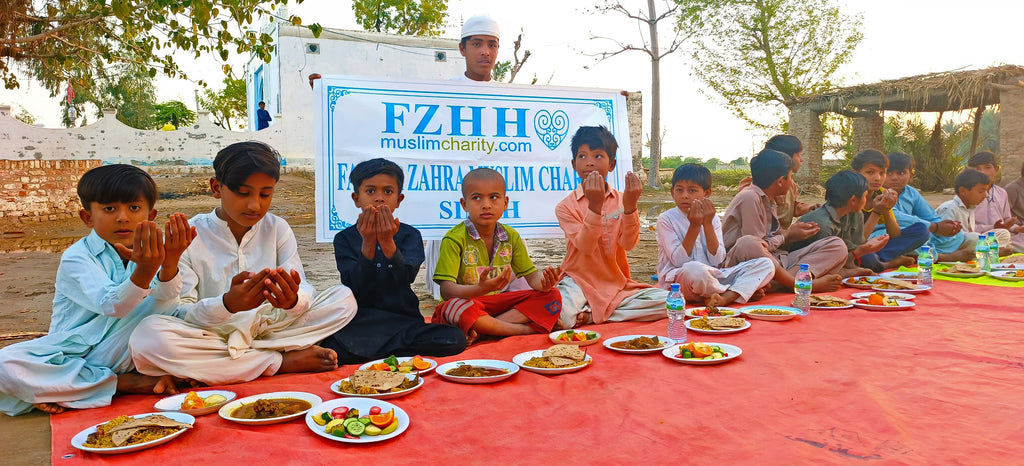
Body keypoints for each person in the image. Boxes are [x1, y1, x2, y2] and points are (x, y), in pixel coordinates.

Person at [130, 142, 356, 386]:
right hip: (213, 332)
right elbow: (182, 312)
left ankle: (234, 361)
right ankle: (278, 362)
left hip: (271, 328)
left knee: (344, 299)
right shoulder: (190, 235)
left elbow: (302, 290)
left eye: (265, 194)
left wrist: (292, 301)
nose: (254, 205)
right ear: (216, 188)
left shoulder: (277, 228)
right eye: (243, 193)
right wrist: (227, 305)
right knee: (148, 337)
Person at [0, 165, 196, 416]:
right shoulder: (76, 257)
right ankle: (121, 383)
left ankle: (64, 389)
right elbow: (114, 306)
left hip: (130, 347)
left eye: (134, 208)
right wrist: (145, 272)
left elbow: (167, 302)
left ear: (151, 215)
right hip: (71, 355)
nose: (123, 217)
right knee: (5, 364)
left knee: (179, 315)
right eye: (109, 209)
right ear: (87, 217)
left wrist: (169, 263)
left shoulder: (158, 249)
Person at [320, 159, 466, 363]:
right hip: (362, 322)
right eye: (370, 191)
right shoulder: (344, 238)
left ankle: (370, 354)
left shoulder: (410, 235)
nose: (379, 199)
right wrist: (368, 242)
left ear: (399, 199)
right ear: (356, 199)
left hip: (402, 320)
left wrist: (387, 241)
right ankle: (393, 353)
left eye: (388, 192)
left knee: (454, 339)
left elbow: (404, 278)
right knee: (328, 346)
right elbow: (355, 286)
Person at [555, 126, 668, 329]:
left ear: (612, 164)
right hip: (578, 281)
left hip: (615, 283)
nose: (589, 162)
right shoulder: (565, 206)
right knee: (560, 317)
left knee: (671, 302)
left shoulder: (622, 200)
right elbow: (586, 247)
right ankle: (599, 309)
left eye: (598, 156)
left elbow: (628, 243)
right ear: (574, 164)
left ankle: (591, 315)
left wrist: (631, 206)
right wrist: (595, 207)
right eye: (582, 156)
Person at [431, 168, 562, 344]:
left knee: (552, 296)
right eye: (476, 198)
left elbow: (532, 278)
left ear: (505, 202)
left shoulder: (511, 236)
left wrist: (545, 284)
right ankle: (526, 329)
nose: (486, 204)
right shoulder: (454, 239)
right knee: (454, 307)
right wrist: (479, 290)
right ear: (464, 204)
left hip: (495, 306)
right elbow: (446, 291)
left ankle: (485, 330)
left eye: (493, 197)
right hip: (467, 304)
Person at [424, 14, 502, 299]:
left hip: (490, 198)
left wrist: (614, 103)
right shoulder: (443, 93)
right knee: (448, 291)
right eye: (477, 44)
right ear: (462, 48)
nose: (485, 51)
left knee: (500, 288)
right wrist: (325, 87)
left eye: (492, 45)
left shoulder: (510, 96)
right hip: (453, 197)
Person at [722, 149, 846, 292]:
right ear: (781, 181)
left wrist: (793, 234)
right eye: (791, 177)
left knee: (836, 245)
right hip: (743, 265)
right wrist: (786, 235)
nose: (793, 182)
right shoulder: (750, 197)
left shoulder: (769, 199)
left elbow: (768, 237)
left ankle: (777, 283)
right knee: (748, 243)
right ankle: (798, 284)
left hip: (775, 262)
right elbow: (756, 246)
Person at [656, 164, 774, 306]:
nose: (684, 195)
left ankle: (720, 296)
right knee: (694, 269)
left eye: (692, 190)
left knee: (766, 264)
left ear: (707, 193)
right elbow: (678, 261)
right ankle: (732, 293)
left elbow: (717, 260)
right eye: (679, 190)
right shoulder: (666, 219)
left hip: (712, 276)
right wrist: (694, 226)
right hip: (680, 281)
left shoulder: (713, 218)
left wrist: (707, 224)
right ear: (672, 192)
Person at [790, 170, 891, 274]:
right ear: (853, 200)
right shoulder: (821, 224)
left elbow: (850, 253)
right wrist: (857, 268)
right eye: (865, 196)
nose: (865, 200)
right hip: (802, 266)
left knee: (870, 264)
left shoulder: (852, 214)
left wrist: (865, 252)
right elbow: (823, 265)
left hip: (835, 260)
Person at [881, 153, 974, 262]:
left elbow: (930, 217)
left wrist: (949, 228)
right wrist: (934, 227)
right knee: (918, 233)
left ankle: (924, 253)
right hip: (888, 234)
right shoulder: (879, 193)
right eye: (889, 173)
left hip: (915, 234)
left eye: (901, 173)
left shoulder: (911, 193)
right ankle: (940, 257)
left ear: (910, 176)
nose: (895, 178)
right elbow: (897, 217)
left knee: (960, 236)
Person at [852, 151, 927, 269]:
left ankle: (879, 258)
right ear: (855, 173)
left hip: (870, 247)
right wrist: (876, 212)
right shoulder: (852, 197)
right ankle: (888, 263)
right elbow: (857, 241)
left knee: (922, 230)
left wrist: (886, 209)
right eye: (870, 172)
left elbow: (895, 234)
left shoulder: (881, 193)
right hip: (852, 248)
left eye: (882, 173)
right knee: (866, 257)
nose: (877, 178)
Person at [737, 134, 816, 228]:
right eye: (798, 155)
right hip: (766, 237)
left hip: (779, 237)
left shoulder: (790, 185)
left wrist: (808, 208)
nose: (801, 159)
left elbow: (791, 207)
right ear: (784, 158)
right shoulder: (757, 187)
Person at [935, 168, 1013, 254]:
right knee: (974, 238)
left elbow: (973, 231)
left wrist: (993, 227)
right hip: (950, 248)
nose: (985, 196)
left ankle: (984, 251)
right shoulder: (949, 208)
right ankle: (990, 252)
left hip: (969, 243)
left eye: (986, 191)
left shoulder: (971, 208)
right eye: (981, 191)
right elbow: (942, 239)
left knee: (1003, 234)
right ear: (963, 191)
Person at [966, 151, 1024, 251]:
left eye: (987, 168)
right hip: (980, 237)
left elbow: (1006, 220)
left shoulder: (1001, 193)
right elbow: (968, 227)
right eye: (978, 169)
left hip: (1002, 235)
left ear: (996, 169)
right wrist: (992, 227)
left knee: (1010, 239)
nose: (982, 172)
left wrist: (1016, 228)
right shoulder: (968, 194)